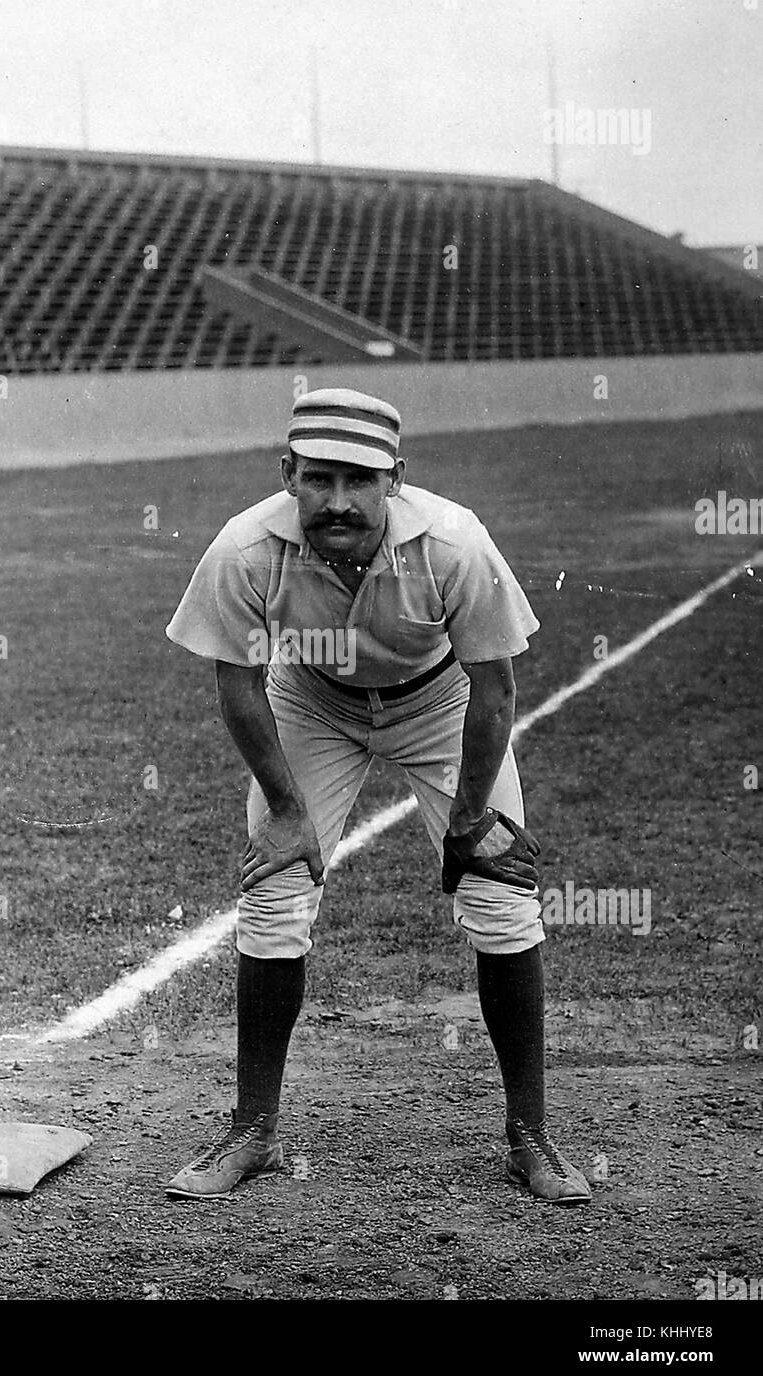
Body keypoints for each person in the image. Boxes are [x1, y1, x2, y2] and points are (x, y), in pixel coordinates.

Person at [163, 387, 591, 1205]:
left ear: (397, 478)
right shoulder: (245, 548)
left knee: (502, 892)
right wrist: (287, 812)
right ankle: (254, 1130)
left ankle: (528, 1134)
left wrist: (471, 821)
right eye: (318, 479)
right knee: (273, 892)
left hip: (439, 701)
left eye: (360, 481)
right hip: (312, 700)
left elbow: (495, 686)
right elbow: (240, 684)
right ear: (287, 474)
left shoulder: (454, 542)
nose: (338, 501)